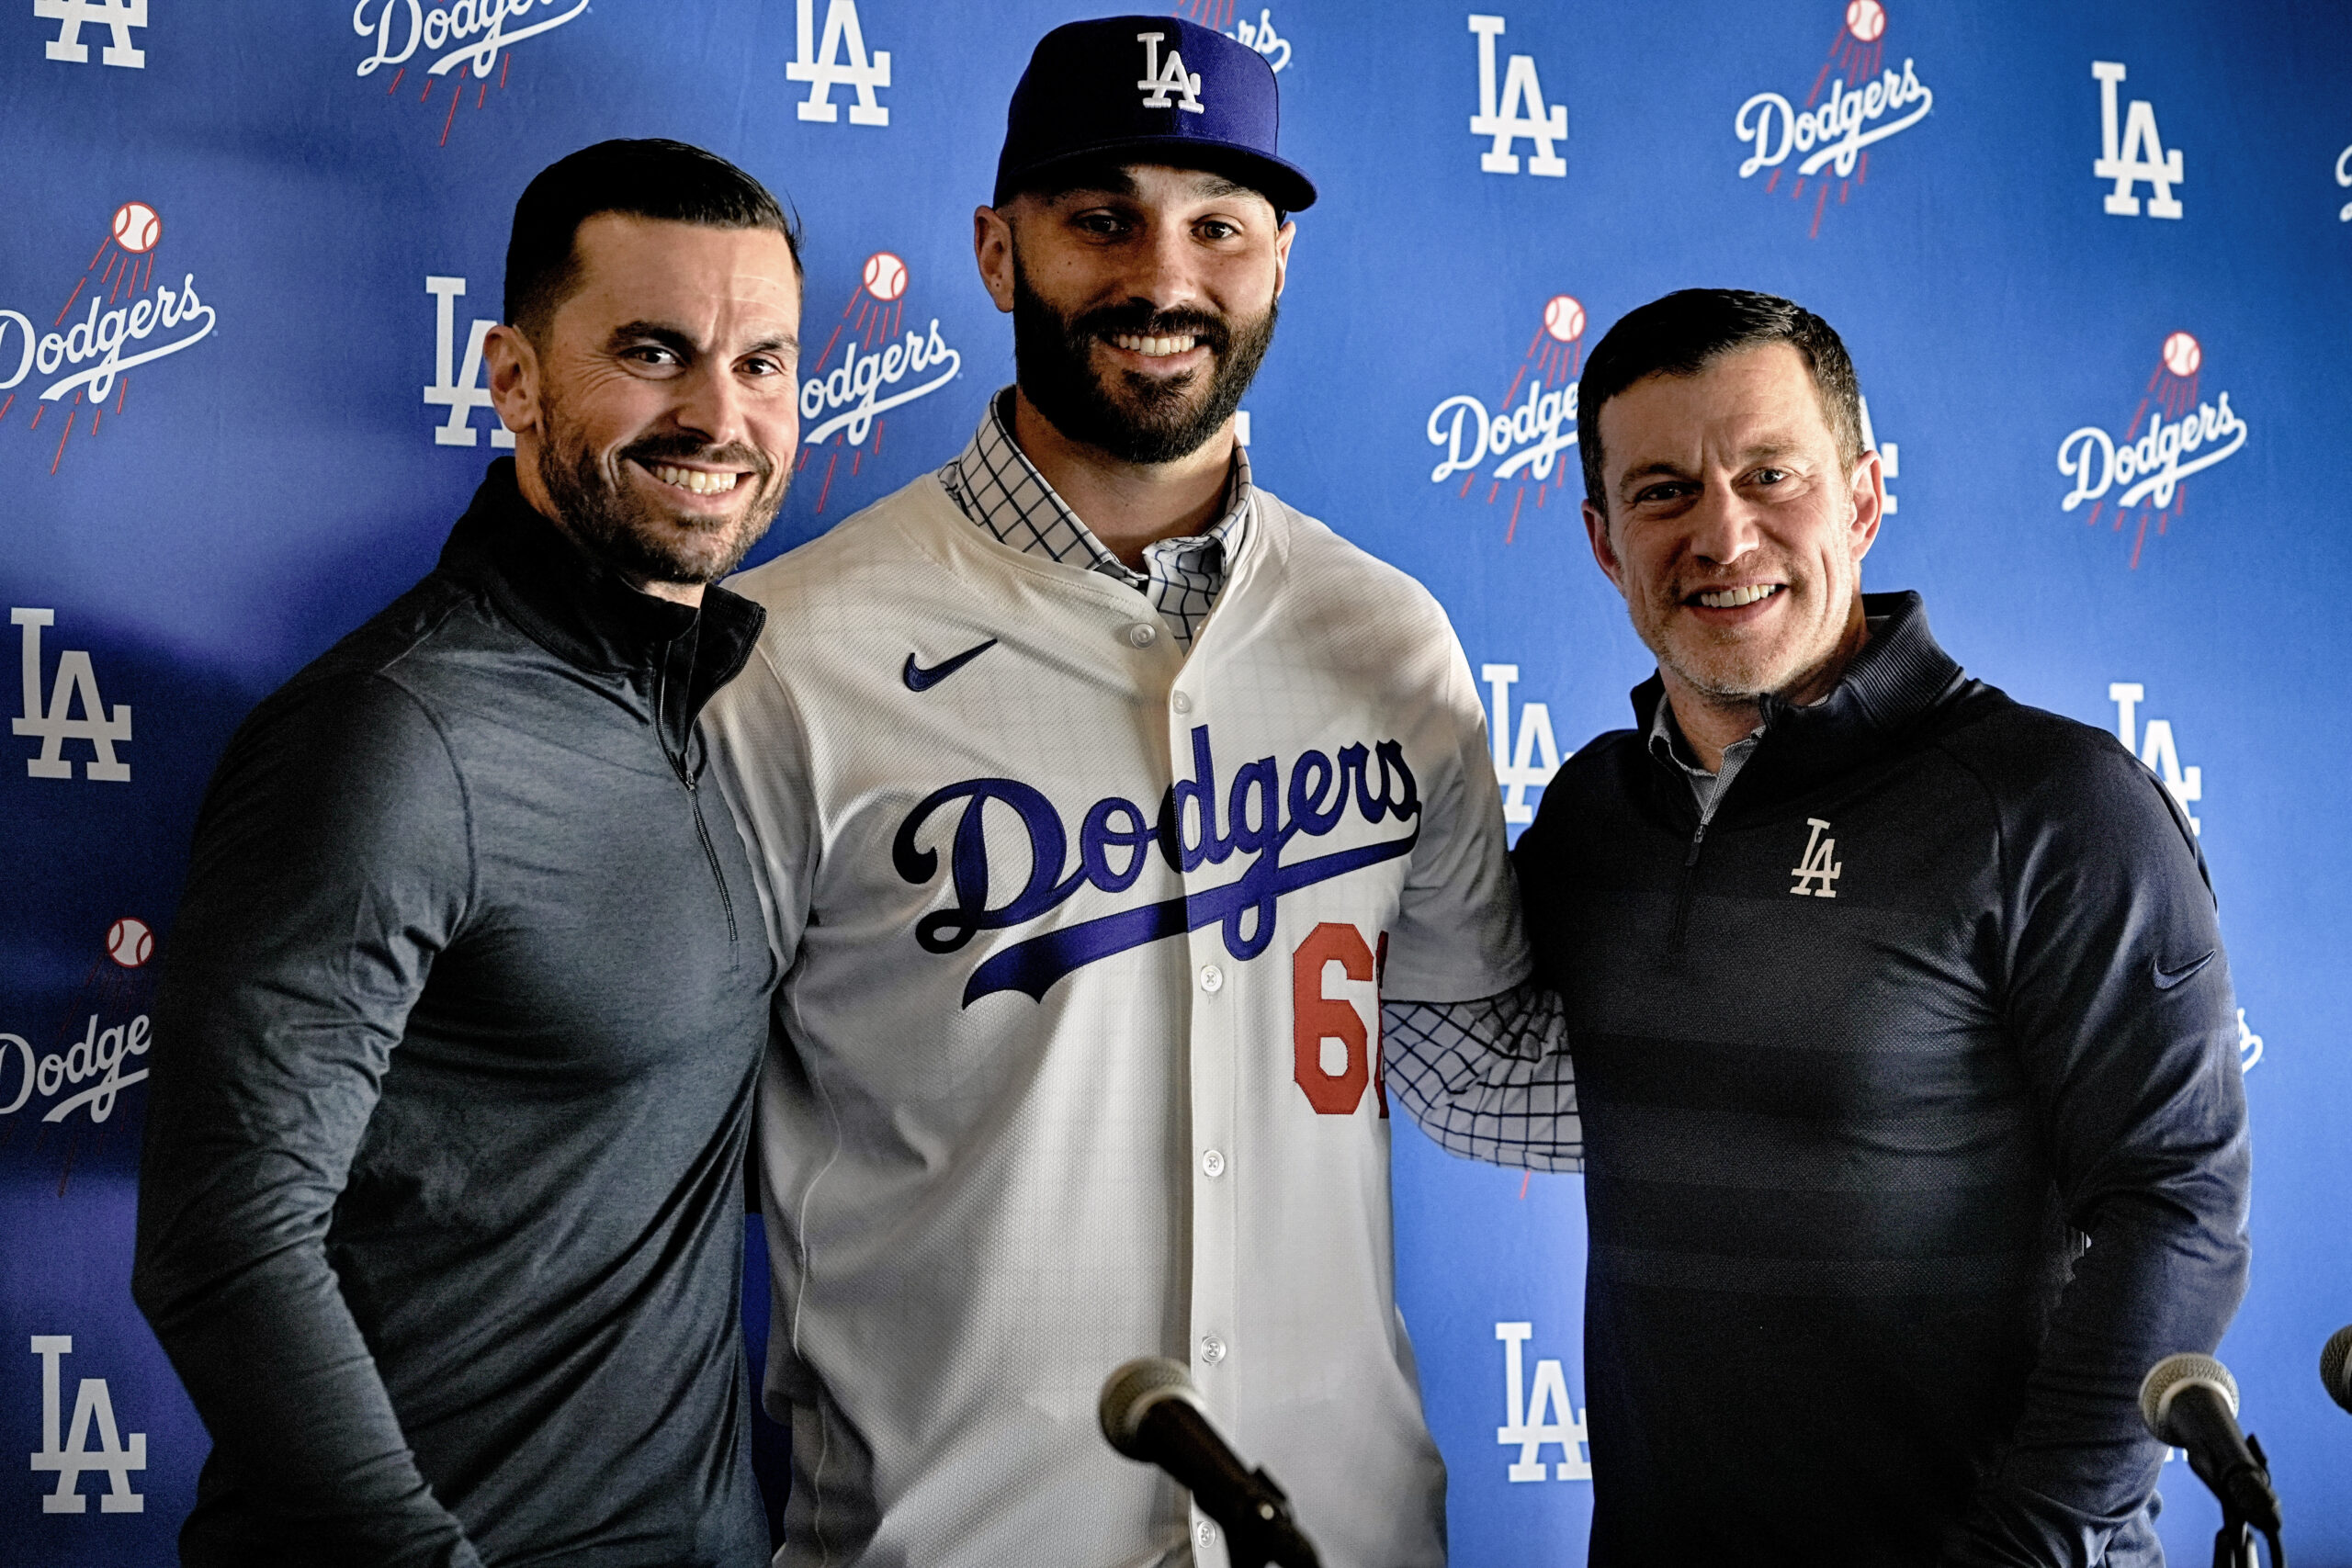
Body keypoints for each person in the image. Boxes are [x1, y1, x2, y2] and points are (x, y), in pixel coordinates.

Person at [705, 17, 1574, 1567]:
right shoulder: (793, 650)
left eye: (1218, 227)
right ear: (996, 249)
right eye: (1101, 218)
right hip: (950, 1539)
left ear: (1281, 260)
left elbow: (1471, 1059)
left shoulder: (1390, 640)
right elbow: (653, 1141)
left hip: (1340, 1530)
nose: (1162, 277)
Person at [131, 139, 803, 1568]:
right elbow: (224, 1241)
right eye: (653, 352)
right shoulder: (393, 733)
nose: (719, 414)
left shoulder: (698, 699)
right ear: (511, 379)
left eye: (764, 364)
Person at [1512, 288, 2252, 1565]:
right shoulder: (1590, 813)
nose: (1723, 535)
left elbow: (2175, 1203)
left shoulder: (2050, 802)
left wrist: (2022, 1550)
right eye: (1663, 492)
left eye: (1769, 474)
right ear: (1600, 540)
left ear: (1859, 498)